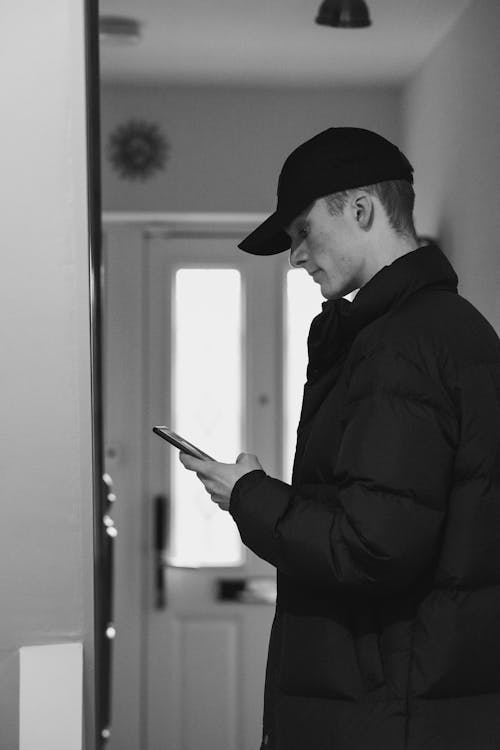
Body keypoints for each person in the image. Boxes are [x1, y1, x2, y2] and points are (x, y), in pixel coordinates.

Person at [179, 127, 500, 749]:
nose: (295, 256)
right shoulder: (449, 330)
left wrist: (248, 494)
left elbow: (372, 546)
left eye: (302, 231)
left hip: (388, 714)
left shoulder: (400, 345)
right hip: (415, 702)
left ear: (361, 210)